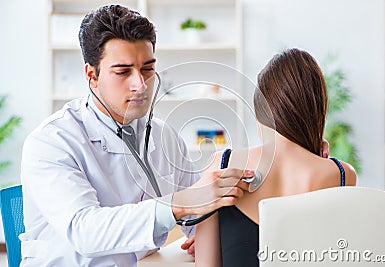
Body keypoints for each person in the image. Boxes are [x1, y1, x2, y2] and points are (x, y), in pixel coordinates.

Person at [19, 5, 254, 266]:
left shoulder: (165, 136)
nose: (140, 85)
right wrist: (179, 204)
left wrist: (205, 233)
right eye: (123, 72)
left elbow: (194, 216)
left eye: (147, 69)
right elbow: (85, 231)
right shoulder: (52, 141)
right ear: (91, 76)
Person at [195, 48, 357, 267]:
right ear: (316, 111)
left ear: (260, 112)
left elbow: (206, 264)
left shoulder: (221, 165)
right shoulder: (341, 174)